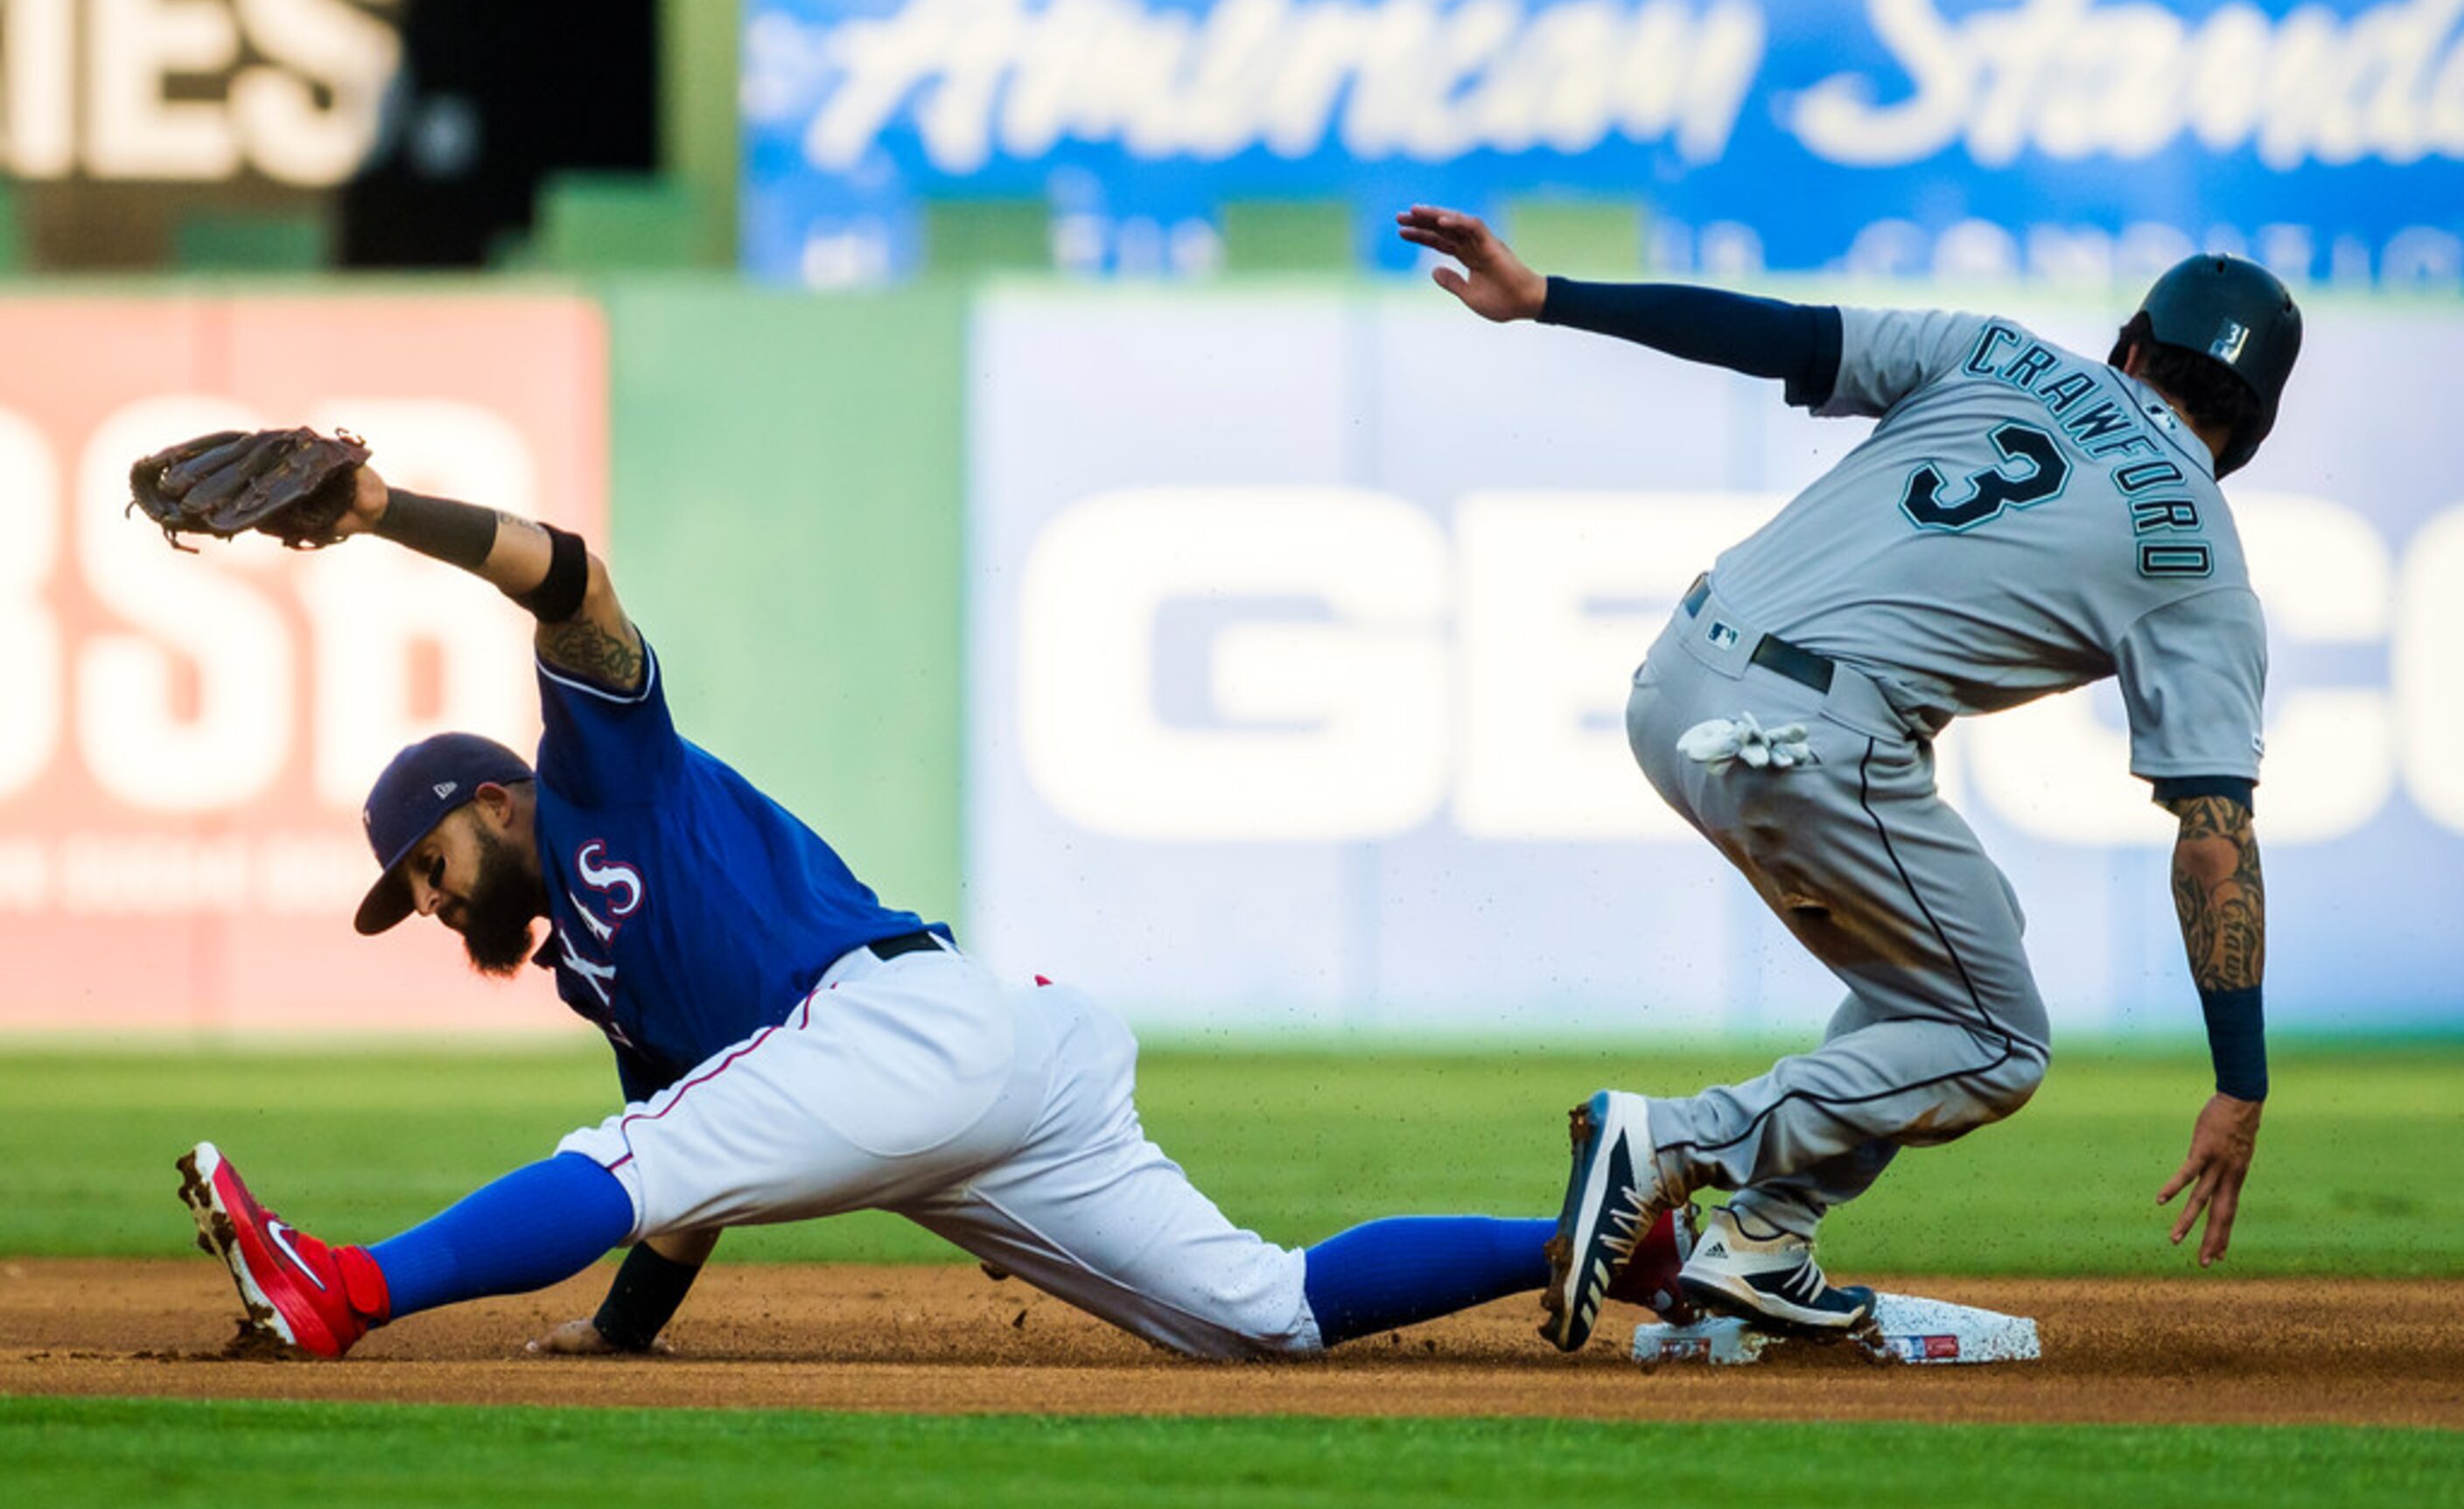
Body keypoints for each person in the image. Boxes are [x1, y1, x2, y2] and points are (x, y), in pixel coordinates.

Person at [172, 460, 1699, 1361]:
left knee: (621, 1156)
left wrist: (376, 507)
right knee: (1260, 1313)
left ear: (490, 800)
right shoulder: (598, 975)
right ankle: (1589, 1235)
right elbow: (687, 1182)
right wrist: (623, 1333)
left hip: (903, 1022)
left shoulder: (594, 782)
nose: (427, 903)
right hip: (990, 1068)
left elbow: (569, 578)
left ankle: (344, 1288)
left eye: (423, 865)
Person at [1397, 205, 2296, 1353]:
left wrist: (1549, 298)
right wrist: (2241, 1078)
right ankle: (1673, 1142)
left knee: (1953, 960)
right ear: (2253, 433)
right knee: (1996, 1038)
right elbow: (2213, 833)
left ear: (2129, 340)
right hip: (1812, 733)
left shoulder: (1996, 350)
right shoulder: (2199, 551)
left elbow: (1774, 333)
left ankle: (1763, 1238)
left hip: (1678, 674)